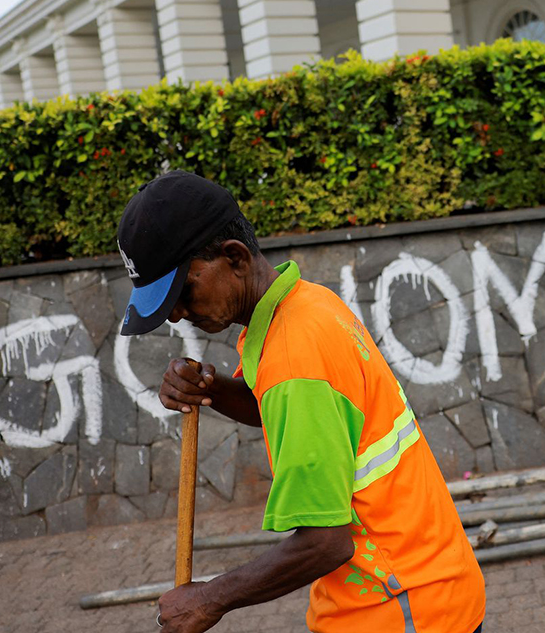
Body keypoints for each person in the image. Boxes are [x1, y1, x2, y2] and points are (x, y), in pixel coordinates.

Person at [116, 170, 485, 633]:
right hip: (424, 586)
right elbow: (273, 408)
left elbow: (326, 543)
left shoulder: (294, 358)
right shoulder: (306, 305)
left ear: (234, 258)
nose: (175, 314)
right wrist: (210, 387)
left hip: (401, 608)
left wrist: (207, 600)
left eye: (182, 291)